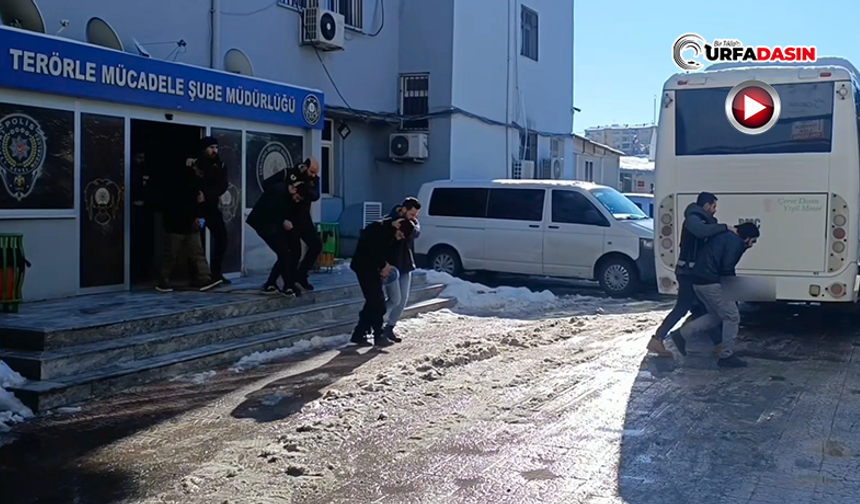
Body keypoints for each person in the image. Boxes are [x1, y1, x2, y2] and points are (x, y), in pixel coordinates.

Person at [647, 192, 736, 357]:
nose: (715, 210)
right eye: (714, 206)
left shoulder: (703, 220)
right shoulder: (693, 219)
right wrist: (725, 227)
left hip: (693, 273)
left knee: (703, 309)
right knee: (683, 307)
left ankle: (717, 345)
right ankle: (658, 339)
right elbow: (701, 232)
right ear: (706, 206)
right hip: (687, 273)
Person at [667, 222, 761, 368]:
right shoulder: (735, 243)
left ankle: (681, 334)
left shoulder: (726, 237)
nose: (752, 245)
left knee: (715, 315)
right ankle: (726, 356)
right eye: (753, 241)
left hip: (699, 282)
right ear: (746, 237)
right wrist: (732, 291)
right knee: (732, 316)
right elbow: (727, 268)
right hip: (711, 283)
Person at [157, 155, 223, 293]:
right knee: (171, 254)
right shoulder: (181, 185)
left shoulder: (194, 185)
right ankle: (162, 280)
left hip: (188, 225)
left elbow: (196, 205)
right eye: (198, 169)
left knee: (197, 252)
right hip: (176, 225)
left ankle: (205, 278)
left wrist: (197, 217)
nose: (200, 173)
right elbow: (178, 206)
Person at [350, 217, 415, 348]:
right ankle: (377, 335)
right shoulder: (380, 229)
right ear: (397, 226)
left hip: (373, 268)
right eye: (400, 235)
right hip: (364, 267)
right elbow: (371, 249)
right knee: (378, 301)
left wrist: (385, 266)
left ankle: (359, 333)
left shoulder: (391, 234)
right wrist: (383, 265)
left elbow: (384, 253)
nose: (399, 238)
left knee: (373, 301)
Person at [264, 158, 322, 292]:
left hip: (304, 218)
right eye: (311, 171)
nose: (313, 175)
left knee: (316, 245)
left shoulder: (313, 180)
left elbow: (315, 195)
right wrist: (286, 190)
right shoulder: (288, 174)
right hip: (289, 217)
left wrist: (303, 187)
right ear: (304, 167)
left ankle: (301, 274)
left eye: (315, 173)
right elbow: (267, 185)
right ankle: (275, 281)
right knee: (291, 253)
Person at [246, 177, 311, 298]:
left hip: (272, 225)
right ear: (294, 190)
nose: (296, 201)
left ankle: (277, 284)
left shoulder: (286, 194)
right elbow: (268, 211)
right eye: (297, 198)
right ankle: (279, 285)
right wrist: (282, 221)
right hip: (264, 225)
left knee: (286, 253)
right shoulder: (278, 192)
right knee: (284, 254)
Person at [187, 137, 230, 284]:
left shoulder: (220, 164)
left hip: (211, 206)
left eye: (216, 147)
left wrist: (207, 194)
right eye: (211, 147)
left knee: (222, 238)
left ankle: (216, 273)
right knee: (194, 242)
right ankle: (196, 275)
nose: (214, 150)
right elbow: (190, 183)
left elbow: (222, 185)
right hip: (195, 208)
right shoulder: (196, 163)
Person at [383, 197, 422, 343]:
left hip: (405, 264)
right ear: (404, 209)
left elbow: (416, 232)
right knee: (394, 299)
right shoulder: (391, 220)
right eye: (412, 214)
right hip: (391, 265)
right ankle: (375, 322)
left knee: (402, 299)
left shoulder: (412, 223)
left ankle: (390, 327)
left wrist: (411, 223)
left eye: (416, 215)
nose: (414, 217)